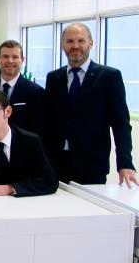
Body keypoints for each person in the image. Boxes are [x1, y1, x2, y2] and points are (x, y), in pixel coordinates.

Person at [46, 22, 137, 186]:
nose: (75, 46)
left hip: (91, 165)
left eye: (81, 40)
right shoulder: (53, 78)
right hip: (56, 164)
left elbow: (120, 123)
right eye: (70, 41)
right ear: (62, 45)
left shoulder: (109, 77)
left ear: (91, 43)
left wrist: (125, 163)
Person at [0, 40, 46, 140]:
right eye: (5, 56)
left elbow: (39, 130)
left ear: (22, 59)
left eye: (15, 57)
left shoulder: (36, 92)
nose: (10, 61)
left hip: (22, 150)